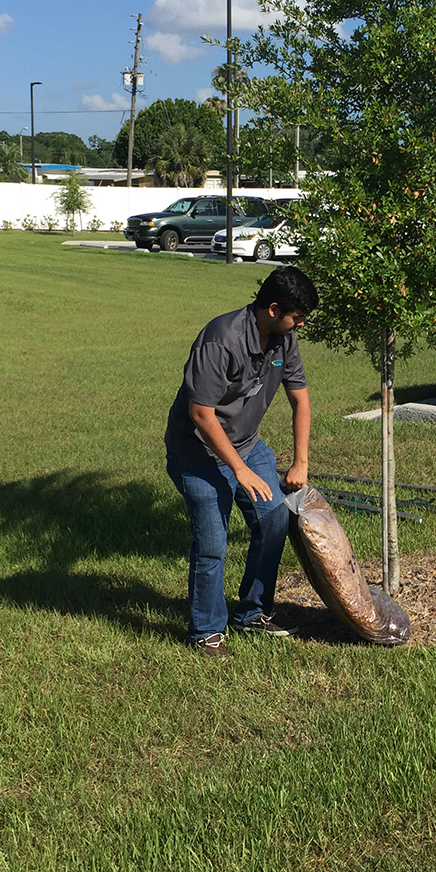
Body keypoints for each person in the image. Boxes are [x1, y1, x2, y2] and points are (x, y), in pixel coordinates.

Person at [165, 266, 319, 659]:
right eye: (296, 317)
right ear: (272, 309)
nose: (299, 324)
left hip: (247, 444)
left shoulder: (284, 339)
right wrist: (239, 469)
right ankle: (206, 631)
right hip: (197, 454)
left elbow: (300, 399)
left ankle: (252, 612)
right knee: (212, 544)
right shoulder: (221, 340)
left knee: (274, 520)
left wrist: (300, 461)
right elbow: (201, 413)